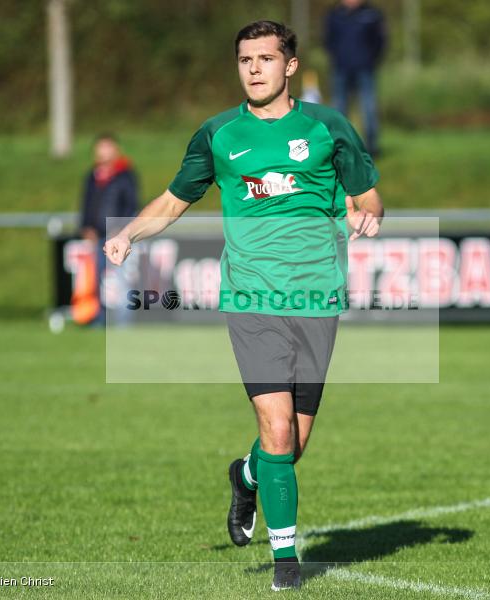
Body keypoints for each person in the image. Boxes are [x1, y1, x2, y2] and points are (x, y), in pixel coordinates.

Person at [103, 20, 383, 591]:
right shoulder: (218, 134)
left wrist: (366, 214)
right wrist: (129, 233)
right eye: (245, 59)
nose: (254, 68)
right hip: (251, 299)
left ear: (290, 67)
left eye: (265, 58)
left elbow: (368, 194)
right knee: (277, 430)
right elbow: (174, 199)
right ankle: (287, 563)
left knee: (291, 447)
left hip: (316, 298)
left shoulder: (329, 128)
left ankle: (246, 475)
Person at [78, 133, 139, 325]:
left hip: (117, 235)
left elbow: (131, 204)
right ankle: (99, 318)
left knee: (120, 278)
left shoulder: (125, 175)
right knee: (97, 279)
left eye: (107, 148)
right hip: (97, 235)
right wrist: (86, 226)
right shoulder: (92, 176)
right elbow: (86, 203)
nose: (103, 153)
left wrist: (121, 230)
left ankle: (124, 320)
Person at [324, 0, 387, 156]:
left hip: (365, 69)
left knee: (368, 108)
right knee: (339, 109)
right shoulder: (334, 14)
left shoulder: (372, 14)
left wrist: (370, 60)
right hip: (341, 69)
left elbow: (380, 41)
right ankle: (339, 146)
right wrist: (337, 58)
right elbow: (328, 41)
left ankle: (372, 148)